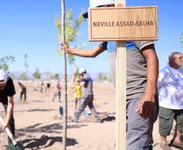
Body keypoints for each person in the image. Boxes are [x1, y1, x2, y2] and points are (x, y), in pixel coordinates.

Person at [61, 0, 159, 149]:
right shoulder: (108, 36)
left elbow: (151, 57)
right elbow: (93, 53)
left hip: (139, 95)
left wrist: (149, 94)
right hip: (122, 97)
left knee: (137, 144)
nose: (94, 21)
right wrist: (70, 50)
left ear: (108, 8)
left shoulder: (134, 25)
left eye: (96, 14)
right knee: (123, 143)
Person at [157, 52, 183, 150]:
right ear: (172, 60)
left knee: (181, 123)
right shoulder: (165, 71)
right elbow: (157, 85)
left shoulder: (182, 70)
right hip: (166, 104)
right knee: (165, 124)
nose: (182, 59)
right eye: (180, 58)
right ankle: (163, 142)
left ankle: (177, 140)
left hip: (181, 104)